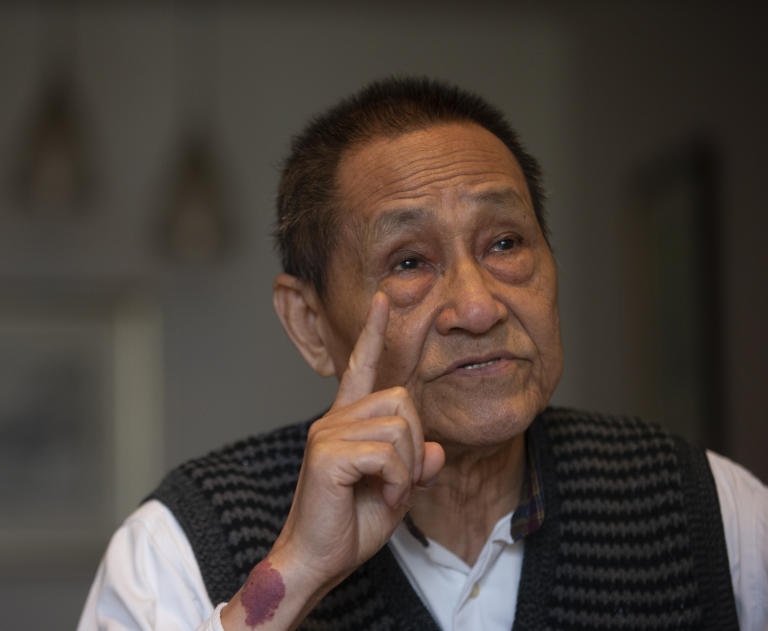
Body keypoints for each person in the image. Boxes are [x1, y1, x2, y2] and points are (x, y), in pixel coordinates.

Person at [78, 77, 767, 630]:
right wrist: (298, 573)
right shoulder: (179, 548)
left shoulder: (710, 511)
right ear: (311, 325)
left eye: (505, 243)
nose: (477, 305)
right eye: (409, 261)